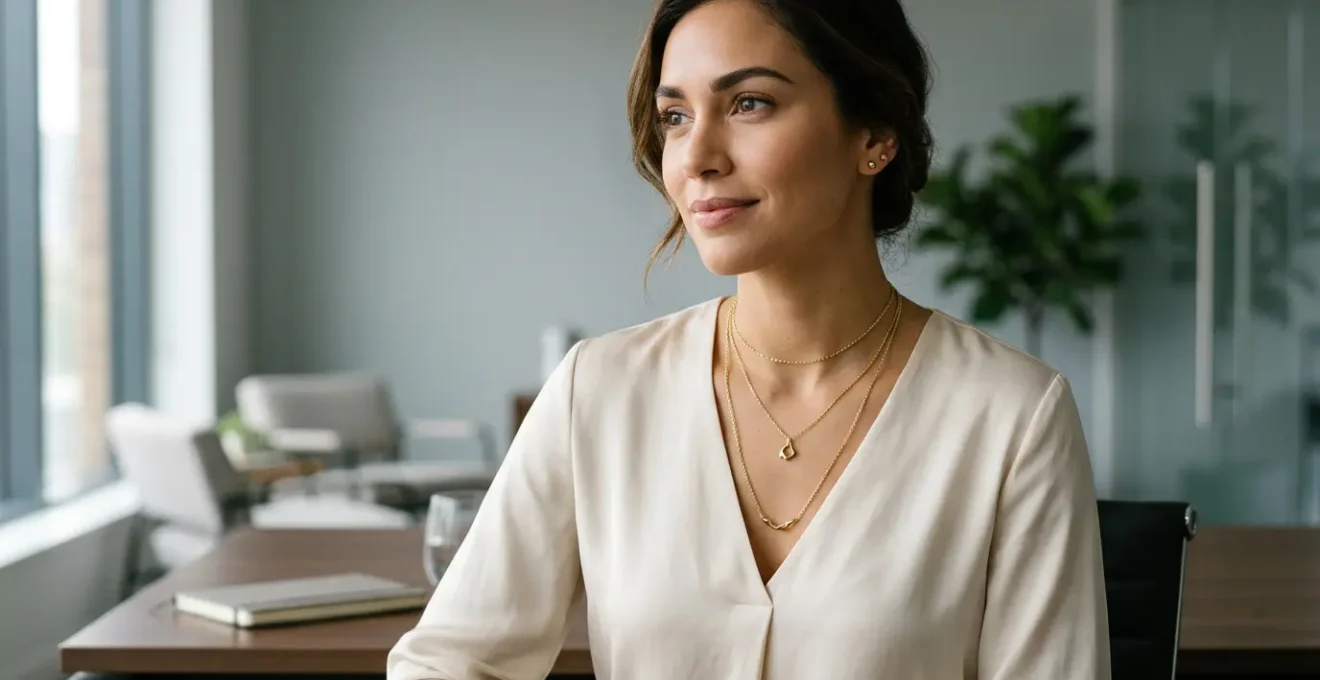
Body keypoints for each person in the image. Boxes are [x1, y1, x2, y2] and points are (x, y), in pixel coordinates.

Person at [388, 0, 1110, 677]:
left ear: (875, 136)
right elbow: (448, 660)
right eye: (674, 115)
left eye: (749, 104)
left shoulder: (1013, 415)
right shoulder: (599, 390)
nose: (696, 154)